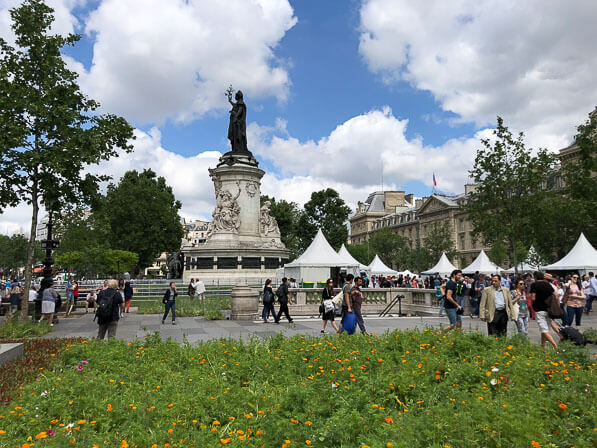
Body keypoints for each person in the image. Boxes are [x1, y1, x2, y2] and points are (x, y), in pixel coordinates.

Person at [529, 272, 560, 349]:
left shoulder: (534, 285)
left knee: (544, 330)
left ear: (535, 277)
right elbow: (556, 295)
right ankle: (542, 347)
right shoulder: (548, 285)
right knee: (545, 329)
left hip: (539, 309)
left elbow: (533, 298)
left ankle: (555, 346)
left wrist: (530, 296)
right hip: (548, 309)